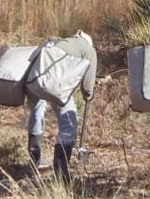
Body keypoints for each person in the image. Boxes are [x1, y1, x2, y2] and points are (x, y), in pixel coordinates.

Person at [26, 31, 98, 185]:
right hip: (55, 85)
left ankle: (34, 165)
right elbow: (88, 89)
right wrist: (88, 96)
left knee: (36, 116)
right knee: (69, 123)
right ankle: (61, 174)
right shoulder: (89, 50)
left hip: (34, 80)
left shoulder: (60, 41)